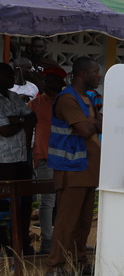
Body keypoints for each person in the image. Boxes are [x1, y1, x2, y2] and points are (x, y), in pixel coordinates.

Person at [45, 57, 103, 276]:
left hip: (87, 167)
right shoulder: (67, 98)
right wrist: (95, 122)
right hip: (72, 166)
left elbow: (98, 124)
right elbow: (86, 130)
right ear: (82, 74)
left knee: (83, 221)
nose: (98, 75)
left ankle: (80, 262)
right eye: (95, 71)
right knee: (67, 220)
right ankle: (55, 266)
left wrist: (94, 122)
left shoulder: (86, 98)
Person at [26, 65, 67, 255]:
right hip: (44, 158)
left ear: (61, 83)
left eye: (53, 81)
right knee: (48, 202)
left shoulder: (67, 102)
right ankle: (47, 242)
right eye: (47, 81)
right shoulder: (36, 103)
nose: (49, 84)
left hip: (66, 158)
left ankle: (63, 240)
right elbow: (25, 122)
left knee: (64, 201)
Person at [0, 62, 37, 256]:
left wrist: (18, 120)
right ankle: (5, 245)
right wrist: (21, 121)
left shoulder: (13, 96)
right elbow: (4, 131)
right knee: (4, 204)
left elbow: (32, 118)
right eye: (7, 75)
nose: (12, 79)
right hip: (2, 161)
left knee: (24, 202)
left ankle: (22, 243)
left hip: (21, 157)